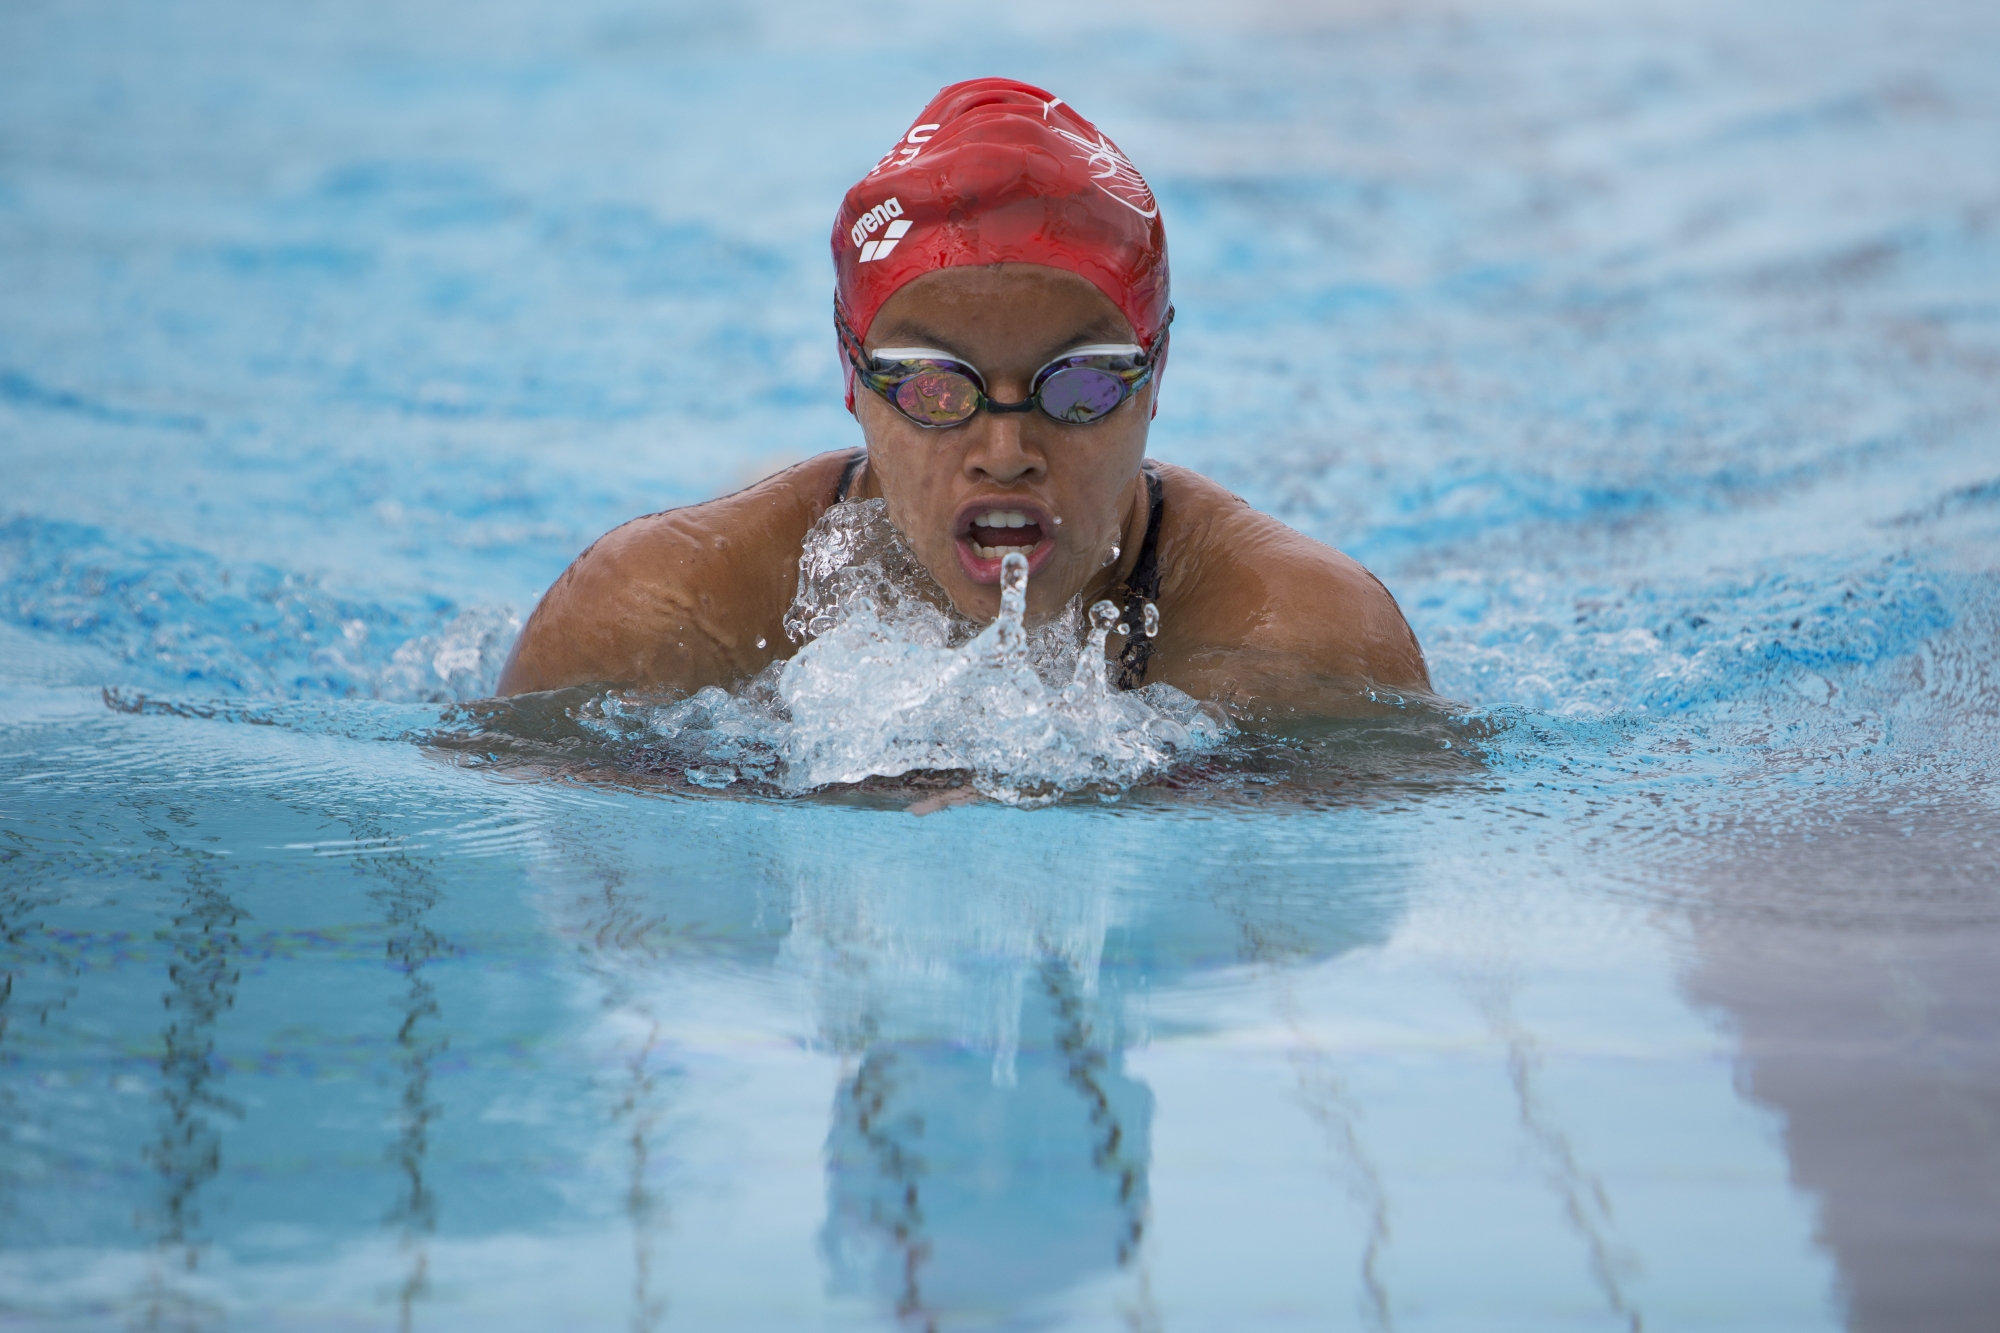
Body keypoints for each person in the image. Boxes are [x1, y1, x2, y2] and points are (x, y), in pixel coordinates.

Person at [497, 78, 1428, 717]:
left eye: (1081, 385)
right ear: (852, 377)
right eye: (939, 389)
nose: (1007, 447)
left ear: (1157, 378)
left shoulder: (1308, 643)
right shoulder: (664, 615)